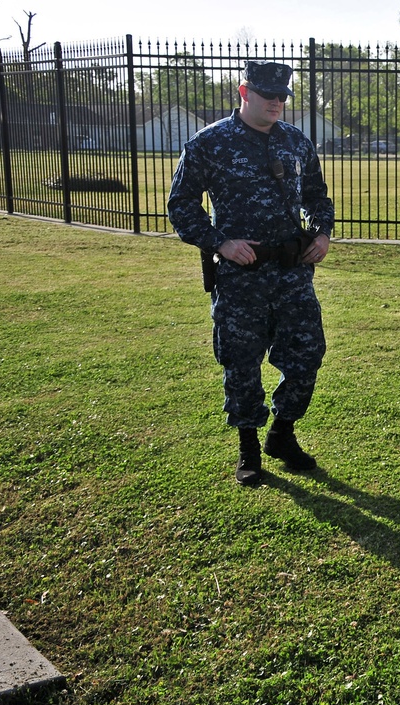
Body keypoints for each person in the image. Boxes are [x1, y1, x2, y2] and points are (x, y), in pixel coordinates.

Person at [168, 60, 334, 486]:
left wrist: (322, 232)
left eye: (282, 96)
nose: (276, 102)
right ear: (244, 92)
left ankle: (281, 433)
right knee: (242, 362)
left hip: (292, 272)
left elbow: (318, 195)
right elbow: (181, 205)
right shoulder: (210, 143)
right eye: (267, 95)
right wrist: (219, 241)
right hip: (242, 276)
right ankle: (248, 448)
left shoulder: (295, 142)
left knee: (307, 353)